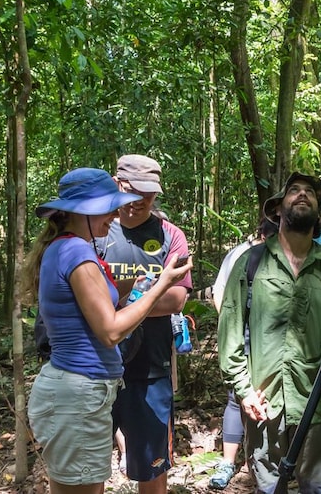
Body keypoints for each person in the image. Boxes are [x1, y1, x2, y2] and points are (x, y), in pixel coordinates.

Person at [23, 167, 192, 494]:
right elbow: (111, 331)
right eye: (108, 207)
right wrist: (162, 285)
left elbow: (101, 295)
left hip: (78, 391)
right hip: (78, 394)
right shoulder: (77, 252)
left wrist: (143, 283)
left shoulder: (69, 247)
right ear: (84, 209)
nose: (115, 214)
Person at [218, 172, 321, 494]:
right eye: (294, 190)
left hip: (318, 399)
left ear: (319, 211)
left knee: (317, 486)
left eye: (310, 191)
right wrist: (244, 389)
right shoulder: (251, 263)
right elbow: (230, 332)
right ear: (279, 208)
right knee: (269, 486)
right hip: (263, 400)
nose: (302, 195)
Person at [100, 154, 193, 494]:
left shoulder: (170, 236)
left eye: (148, 192)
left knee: (151, 469)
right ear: (116, 184)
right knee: (87, 469)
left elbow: (176, 299)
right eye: (130, 190)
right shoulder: (96, 229)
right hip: (95, 366)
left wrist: (116, 304)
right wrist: (148, 295)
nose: (138, 200)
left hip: (150, 367)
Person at [209, 219, 278, 490]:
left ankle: (256, 462)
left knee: (264, 396)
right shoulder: (241, 255)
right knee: (237, 398)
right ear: (261, 233)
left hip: (269, 339)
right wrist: (232, 326)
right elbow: (220, 291)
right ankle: (229, 461)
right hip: (244, 335)